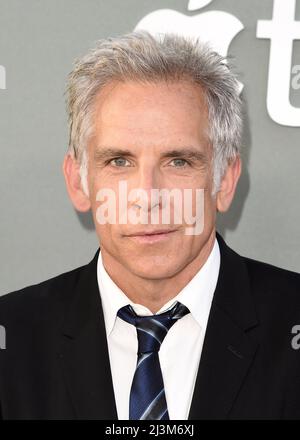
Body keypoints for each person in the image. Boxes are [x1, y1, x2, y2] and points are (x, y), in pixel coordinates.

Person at [0, 30, 299, 420]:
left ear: (225, 181)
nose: (147, 196)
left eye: (179, 162)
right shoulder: (12, 339)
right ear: (78, 182)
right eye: (119, 162)